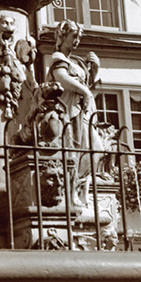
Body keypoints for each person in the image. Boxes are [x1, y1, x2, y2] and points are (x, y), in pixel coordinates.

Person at [47, 20, 101, 206]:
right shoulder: (58, 58)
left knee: (95, 149)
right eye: (74, 36)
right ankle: (72, 193)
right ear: (62, 37)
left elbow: (87, 86)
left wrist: (95, 70)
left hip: (83, 111)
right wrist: (84, 91)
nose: (77, 40)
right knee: (74, 150)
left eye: (79, 37)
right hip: (69, 112)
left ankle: (83, 189)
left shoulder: (75, 61)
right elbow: (61, 78)